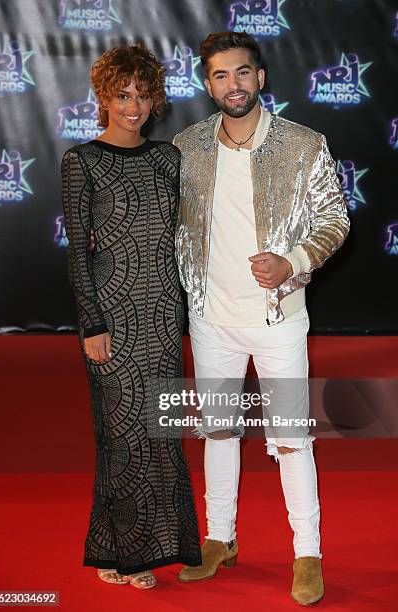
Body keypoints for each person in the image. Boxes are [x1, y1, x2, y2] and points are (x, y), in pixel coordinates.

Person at [173, 32, 349, 604]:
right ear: (207, 84)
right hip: (210, 320)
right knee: (218, 431)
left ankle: (307, 553)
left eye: (243, 73)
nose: (234, 85)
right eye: (221, 76)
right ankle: (218, 539)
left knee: (293, 438)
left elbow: (334, 219)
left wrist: (292, 261)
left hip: (278, 320)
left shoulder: (303, 144)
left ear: (261, 78)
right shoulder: (186, 147)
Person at [61, 43, 201, 590]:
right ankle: (128, 554)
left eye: (143, 96)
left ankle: (152, 546)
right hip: (113, 317)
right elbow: (78, 251)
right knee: (122, 436)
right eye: (123, 96)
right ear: (103, 97)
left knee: (159, 431)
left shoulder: (169, 159)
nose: (133, 107)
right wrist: (91, 324)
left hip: (165, 312)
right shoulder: (83, 161)